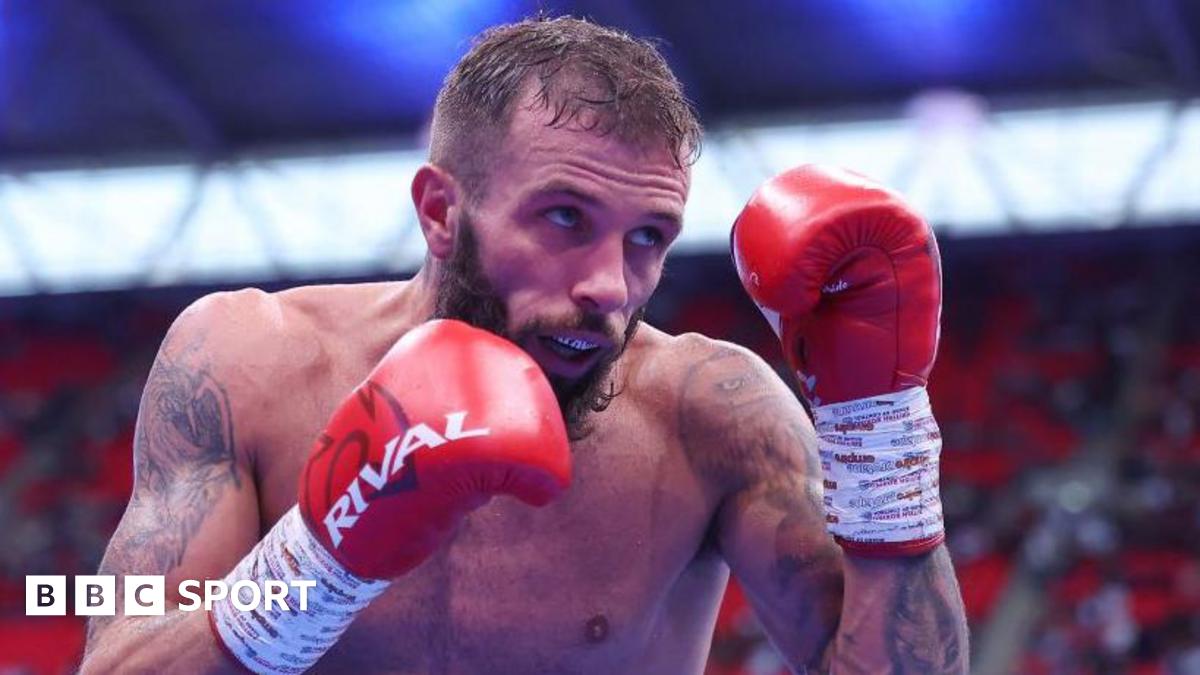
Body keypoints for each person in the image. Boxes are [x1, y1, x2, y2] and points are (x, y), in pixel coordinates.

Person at [81, 16, 968, 674]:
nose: (609, 286)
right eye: (565, 218)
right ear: (441, 212)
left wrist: (880, 425)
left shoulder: (712, 415)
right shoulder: (249, 364)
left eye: (648, 237)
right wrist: (318, 562)